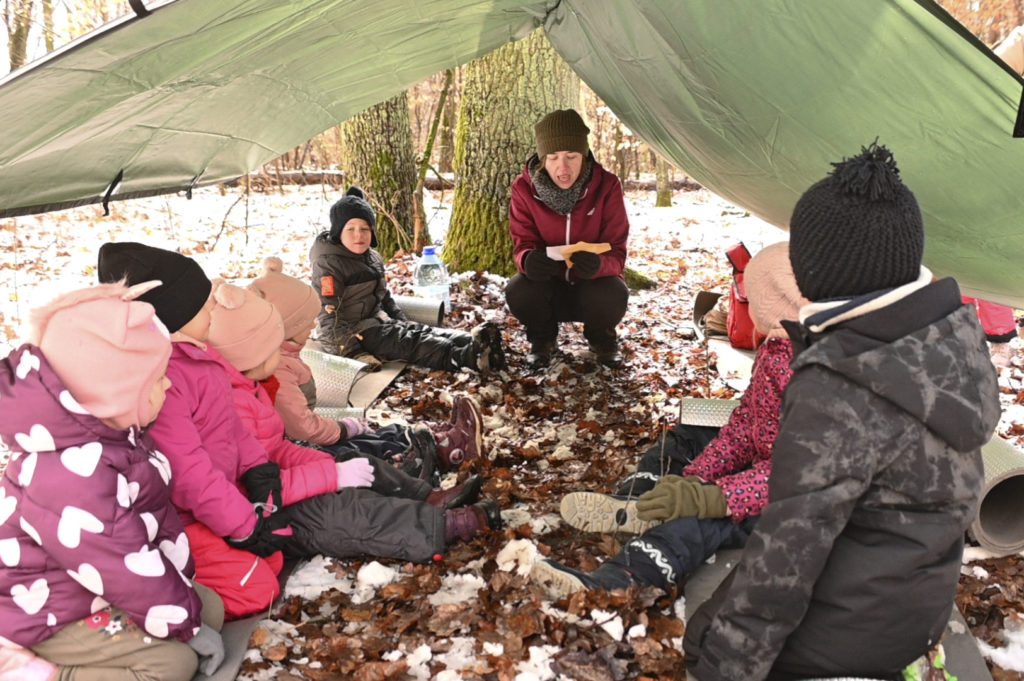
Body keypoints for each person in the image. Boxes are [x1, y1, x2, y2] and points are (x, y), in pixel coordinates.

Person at [683, 142, 1001, 681]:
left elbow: (790, 547)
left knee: (707, 637)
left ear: (818, 270)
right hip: (921, 610)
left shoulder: (840, 382)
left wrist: (720, 663)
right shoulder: (951, 339)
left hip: (856, 631)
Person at [530, 242, 804, 597]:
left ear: (776, 300)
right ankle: (641, 501)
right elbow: (744, 424)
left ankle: (619, 581)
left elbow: (801, 473)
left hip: (793, 502)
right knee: (687, 438)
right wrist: (696, 476)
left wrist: (712, 496)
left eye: (752, 295)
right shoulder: (776, 348)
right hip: (763, 463)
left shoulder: (818, 369)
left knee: (700, 521)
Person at [0, 282, 225, 681]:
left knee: (209, 606)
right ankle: (50, 673)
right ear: (112, 392)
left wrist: (184, 611)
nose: (169, 386)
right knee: (171, 665)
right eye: (157, 380)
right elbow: (121, 565)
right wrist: (182, 628)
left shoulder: (111, 440)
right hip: (48, 614)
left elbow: (141, 540)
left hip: (94, 588)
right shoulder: (70, 475)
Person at [205, 280, 502, 563]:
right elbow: (254, 488)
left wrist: (325, 466)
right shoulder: (233, 406)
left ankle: (428, 498)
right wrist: (330, 477)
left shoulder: (250, 388)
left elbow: (275, 450)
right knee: (341, 512)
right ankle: (442, 526)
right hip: (264, 515)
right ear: (251, 355)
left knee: (354, 459)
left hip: (279, 485)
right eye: (272, 348)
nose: (279, 351)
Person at [97, 241, 293, 620]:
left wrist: (259, 473)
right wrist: (243, 527)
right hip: (182, 519)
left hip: (216, 506)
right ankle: (157, 603)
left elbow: (232, 428)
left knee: (275, 560)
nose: (214, 310)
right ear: (173, 314)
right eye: (205, 306)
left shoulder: (203, 357)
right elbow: (188, 474)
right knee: (259, 591)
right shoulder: (163, 380)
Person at [248, 256, 485, 476]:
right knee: (364, 449)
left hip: (300, 433)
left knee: (378, 432)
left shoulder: (284, 353)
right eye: (307, 320)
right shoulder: (277, 369)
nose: (314, 325)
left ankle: (431, 436)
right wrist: (342, 429)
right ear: (287, 327)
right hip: (296, 445)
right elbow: (304, 428)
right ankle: (445, 454)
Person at [309, 186, 505, 374]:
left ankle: (478, 343)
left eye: (365, 229)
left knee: (421, 331)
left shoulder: (372, 258)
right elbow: (327, 314)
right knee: (412, 343)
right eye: (350, 229)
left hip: (378, 321)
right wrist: (352, 352)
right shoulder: (329, 265)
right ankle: (467, 358)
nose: (359, 235)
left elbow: (383, 297)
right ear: (338, 232)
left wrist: (401, 320)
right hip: (354, 332)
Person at [505, 108, 630, 369]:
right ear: (542, 160)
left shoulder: (607, 186)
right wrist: (528, 260)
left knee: (614, 293)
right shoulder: (523, 188)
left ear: (584, 156)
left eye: (571, 156)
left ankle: (602, 341)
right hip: (548, 287)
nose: (563, 167)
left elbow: (617, 252)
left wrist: (599, 265)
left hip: (591, 287)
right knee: (519, 290)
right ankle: (542, 341)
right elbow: (522, 243)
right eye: (553, 158)